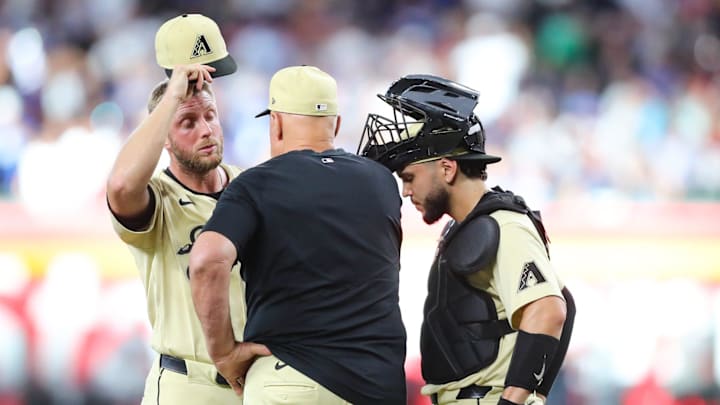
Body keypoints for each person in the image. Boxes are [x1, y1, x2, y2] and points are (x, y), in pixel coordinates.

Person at [188, 65, 408, 404]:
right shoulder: (382, 181)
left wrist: (225, 354)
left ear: (275, 123)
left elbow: (206, 261)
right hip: (377, 385)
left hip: (290, 377)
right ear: (335, 124)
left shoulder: (255, 184)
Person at [358, 74, 576, 405]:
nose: (405, 191)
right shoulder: (469, 227)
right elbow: (565, 302)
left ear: (447, 169)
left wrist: (515, 400)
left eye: (410, 177)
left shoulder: (505, 224)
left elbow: (549, 309)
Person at [106, 14, 246, 405]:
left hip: (256, 385)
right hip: (188, 385)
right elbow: (120, 185)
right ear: (163, 138)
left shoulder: (252, 186)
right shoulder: (158, 199)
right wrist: (171, 97)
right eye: (187, 122)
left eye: (210, 116)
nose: (205, 130)